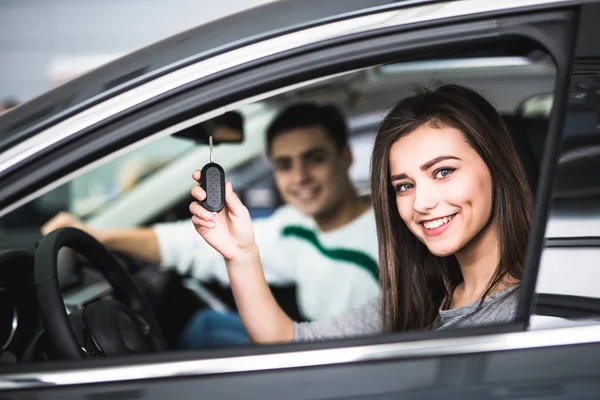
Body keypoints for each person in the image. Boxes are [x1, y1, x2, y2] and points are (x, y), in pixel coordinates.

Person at [189, 84, 533, 343]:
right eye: (403, 186)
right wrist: (241, 255)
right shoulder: (419, 296)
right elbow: (290, 341)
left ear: (496, 166)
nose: (421, 203)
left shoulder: (527, 310)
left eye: (443, 172)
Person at [42, 103, 379, 347]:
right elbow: (195, 245)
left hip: (336, 363)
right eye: (284, 165)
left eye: (314, 158)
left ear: (346, 155)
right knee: (203, 324)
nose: (300, 177)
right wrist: (100, 236)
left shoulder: (385, 235)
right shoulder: (296, 226)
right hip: (308, 341)